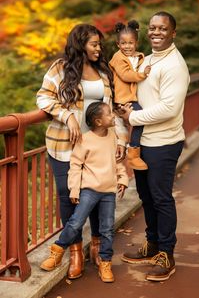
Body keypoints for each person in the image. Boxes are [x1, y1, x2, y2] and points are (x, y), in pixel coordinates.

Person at [36, 24, 127, 279]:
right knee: (68, 197)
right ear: (80, 45)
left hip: (99, 146)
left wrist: (120, 139)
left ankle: (97, 247)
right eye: (94, 44)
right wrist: (67, 116)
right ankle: (74, 251)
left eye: (99, 44)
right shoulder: (60, 68)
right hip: (64, 145)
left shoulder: (103, 70)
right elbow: (43, 98)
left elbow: (114, 111)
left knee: (99, 194)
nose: (99, 48)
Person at [120, 11, 190, 282]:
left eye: (163, 28)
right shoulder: (147, 60)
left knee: (161, 198)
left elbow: (170, 109)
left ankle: (166, 253)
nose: (156, 32)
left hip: (164, 142)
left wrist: (132, 117)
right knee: (146, 197)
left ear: (173, 32)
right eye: (152, 28)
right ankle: (152, 245)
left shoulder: (174, 65)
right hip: (142, 142)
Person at [40, 101, 129, 283]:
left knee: (107, 229)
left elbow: (116, 161)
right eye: (109, 114)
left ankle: (105, 262)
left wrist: (123, 178)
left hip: (108, 192)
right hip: (88, 190)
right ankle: (57, 251)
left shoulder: (112, 136)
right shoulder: (85, 139)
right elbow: (75, 165)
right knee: (75, 222)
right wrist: (74, 189)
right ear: (98, 121)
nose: (113, 116)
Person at [109, 20, 151, 170]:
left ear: (136, 43)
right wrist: (142, 75)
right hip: (123, 99)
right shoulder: (118, 58)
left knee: (138, 120)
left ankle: (130, 149)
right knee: (141, 118)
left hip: (132, 98)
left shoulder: (139, 57)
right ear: (118, 44)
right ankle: (133, 152)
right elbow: (126, 75)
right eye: (123, 43)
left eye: (130, 43)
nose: (127, 46)